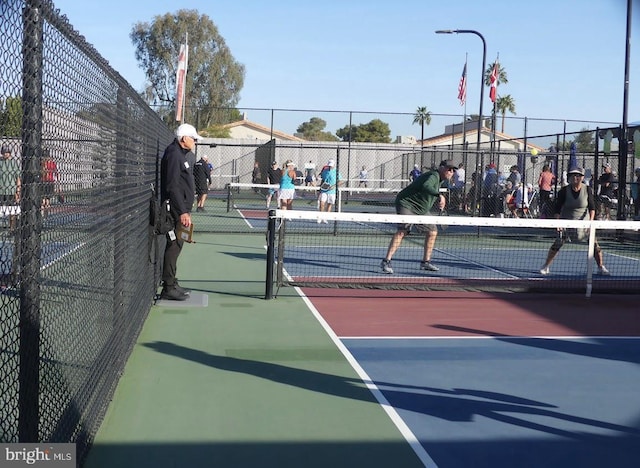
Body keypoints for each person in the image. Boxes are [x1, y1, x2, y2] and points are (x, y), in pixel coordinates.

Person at [380, 160, 457, 274]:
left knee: (432, 231)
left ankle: (425, 262)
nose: (451, 172)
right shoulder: (433, 175)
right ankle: (386, 261)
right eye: (449, 169)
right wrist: (439, 195)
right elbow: (426, 186)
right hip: (406, 204)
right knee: (403, 231)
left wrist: (438, 200)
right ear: (441, 168)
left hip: (421, 209)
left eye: (453, 170)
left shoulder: (441, 180)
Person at [539, 166, 609, 276]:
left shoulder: (587, 190)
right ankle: (546, 266)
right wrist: (558, 224)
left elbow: (592, 208)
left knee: (595, 245)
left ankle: (601, 267)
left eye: (577, 175)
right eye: (572, 175)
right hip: (567, 221)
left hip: (585, 223)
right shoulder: (564, 191)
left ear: (582, 177)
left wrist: (590, 223)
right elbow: (557, 209)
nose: (575, 177)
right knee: (558, 243)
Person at [159, 123, 200, 301]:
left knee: (179, 244)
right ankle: (168, 287)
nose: (195, 142)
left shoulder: (182, 154)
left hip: (183, 210)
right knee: (174, 246)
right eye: (194, 139)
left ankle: (172, 282)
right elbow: (173, 186)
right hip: (176, 211)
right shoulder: (174, 154)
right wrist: (183, 212)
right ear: (184, 139)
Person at [0, 145, 21, 230]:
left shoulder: (13, 163)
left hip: (11, 191)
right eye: (4, 152)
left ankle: (12, 228)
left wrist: (18, 191)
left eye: (7, 152)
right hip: (1, 191)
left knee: (12, 211)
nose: (5, 154)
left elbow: (18, 178)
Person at [317, 159, 341, 223]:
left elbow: (340, 181)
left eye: (331, 165)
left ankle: (325, 218)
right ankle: (320, 217)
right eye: (329, 165)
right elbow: (322, 178)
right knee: (322, 204)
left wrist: (334, 186)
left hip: (332, 191)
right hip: (324, 190)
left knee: (329, 205)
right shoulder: (324, 171)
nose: (330, 167)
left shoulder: (337, 172)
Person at [40, 149, 59, 217]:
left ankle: (44, 214)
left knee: (45, 199)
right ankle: (44, 214)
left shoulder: (46, 163)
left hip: (48, 182)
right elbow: (56, 174)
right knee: (45, 200)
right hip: (45, 182)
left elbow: (55, 173)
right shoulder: (43, 163)